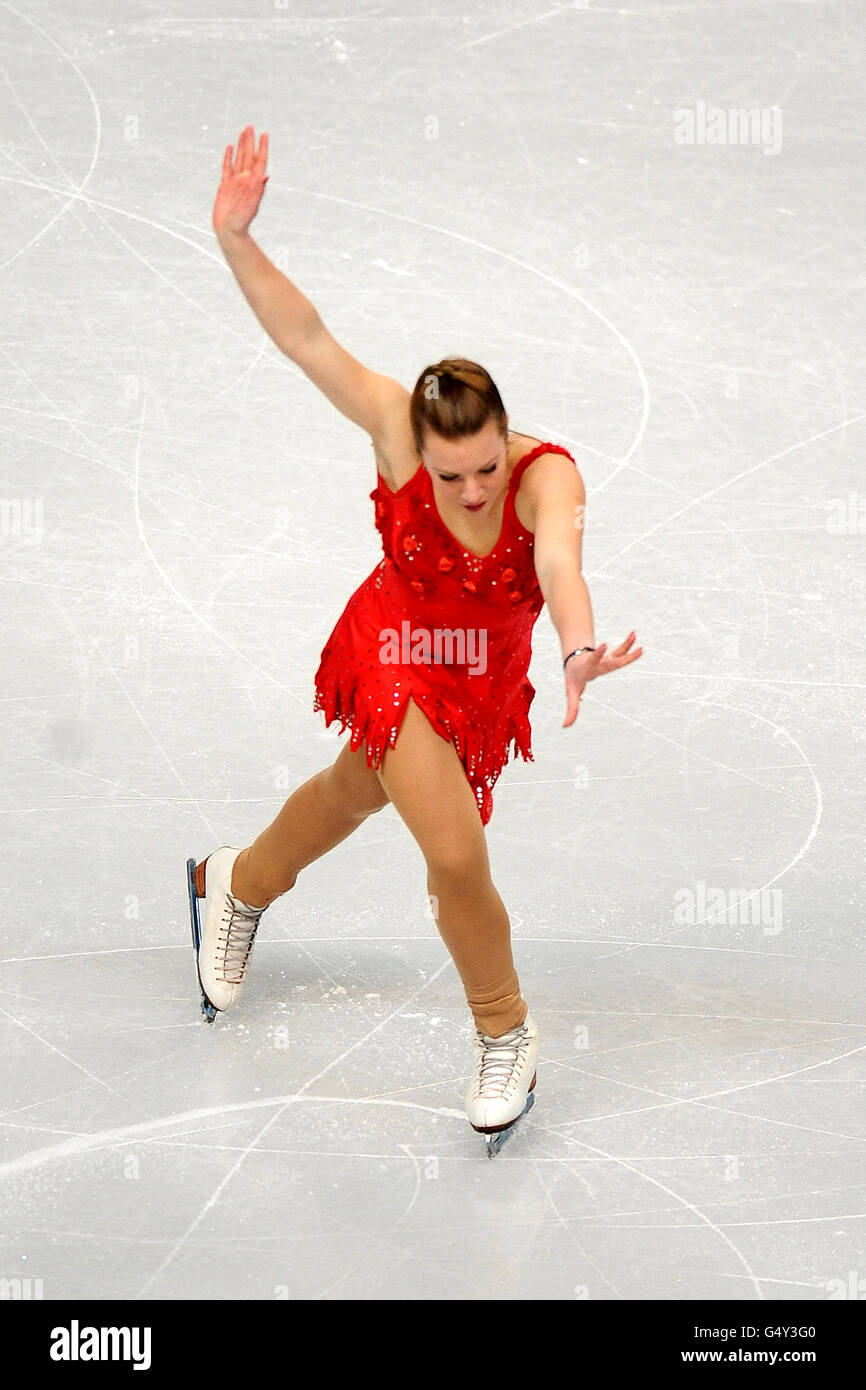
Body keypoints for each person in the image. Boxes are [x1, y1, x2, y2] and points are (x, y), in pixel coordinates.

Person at [188, 125, 642, 1149]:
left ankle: (235, 881)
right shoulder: (397, 426)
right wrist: (236, 239)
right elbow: (307, 339)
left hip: (479, 675)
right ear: (422, 453)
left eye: (485, 465)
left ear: (503, 436)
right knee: (452, 850)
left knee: (356, 789)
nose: (474, 488)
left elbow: (561, 565)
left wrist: (574, 648)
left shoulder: (545, 477)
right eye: (453, 476)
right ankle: (504, 1032)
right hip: (392, 646)